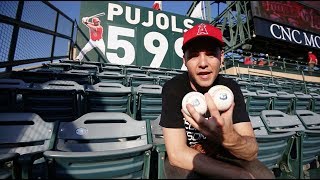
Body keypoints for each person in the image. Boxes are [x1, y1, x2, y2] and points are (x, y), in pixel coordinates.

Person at [159, 23, 275, 179]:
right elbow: (177, 154)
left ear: (221, 58)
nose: (203, 63)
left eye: (211, 54)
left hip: (225, 153)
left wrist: (228, 138)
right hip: (188, 156)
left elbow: (251, 151)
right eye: (194, 55)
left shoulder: (230, 88)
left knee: (265, 176)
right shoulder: (174, 88)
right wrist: (238, 174)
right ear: (184, 60)